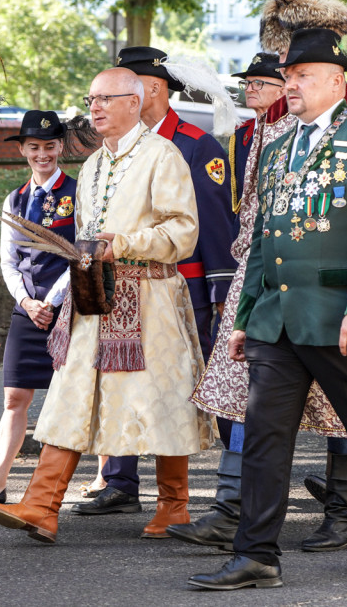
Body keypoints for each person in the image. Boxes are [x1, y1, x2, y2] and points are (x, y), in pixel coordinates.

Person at [188, 27, 347, 591]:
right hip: (276, 320)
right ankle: (256, 554)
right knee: (265, 437)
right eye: (287, 76)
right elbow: (265, 235)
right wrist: (243, 319)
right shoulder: (279, 142)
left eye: (302, 75)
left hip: (343, 320)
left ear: (336, 81)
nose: (290, 84)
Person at [0, 67, 214, 543]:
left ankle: (174, 506)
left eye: (106, 98)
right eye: (91, 99)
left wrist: (123, 242)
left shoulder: (163, 155)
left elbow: (184, 233)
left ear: (135, 101)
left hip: (150, 298)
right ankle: (42, 506)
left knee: (162, 401)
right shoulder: (90, 165)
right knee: (69, 394)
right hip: (92, 296)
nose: (96, 107)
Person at [77, 47, 237, 518]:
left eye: (125, 87)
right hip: (114, 283)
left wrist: (222, 289)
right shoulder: (109, 152)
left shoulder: (192, 144)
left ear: (152, 89)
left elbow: (210, 224)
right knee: (114, 378)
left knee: (190, 387)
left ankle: (234, 487)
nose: (102, 103)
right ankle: (121, 480)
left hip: (178, 284)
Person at [0, 110, 80, 504]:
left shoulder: (77, 192)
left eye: (49, 146)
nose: (42, 154)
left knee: (75, 396)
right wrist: (27, 302)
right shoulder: (14, 198)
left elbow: (80, 255)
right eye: (34, 147)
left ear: (60, 148)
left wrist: (50, 302)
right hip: (27, 308)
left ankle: (103, 479)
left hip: (68, 308)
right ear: (22, 150)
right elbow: (8, 260)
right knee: (14, 398)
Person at [230, 52, 284, 209]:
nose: (249, 89)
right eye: (246, 83)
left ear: (282, 90)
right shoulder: (241, 133)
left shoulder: (294, 131)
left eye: (258, 83)